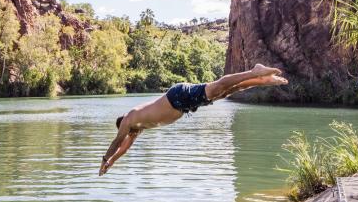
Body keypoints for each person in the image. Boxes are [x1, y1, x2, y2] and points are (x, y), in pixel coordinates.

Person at [99, 64, 287, 175]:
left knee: (217, 87)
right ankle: (261, 80)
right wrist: (111, 163)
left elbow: (117, 142)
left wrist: (104, 159)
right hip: (184, 105)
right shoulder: (136, 129)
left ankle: (255, 71)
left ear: (122, 124)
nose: (126, 136)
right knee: (224, 92)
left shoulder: (129, 118)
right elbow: (124, 148)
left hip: (177, 96)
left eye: (124, 133)